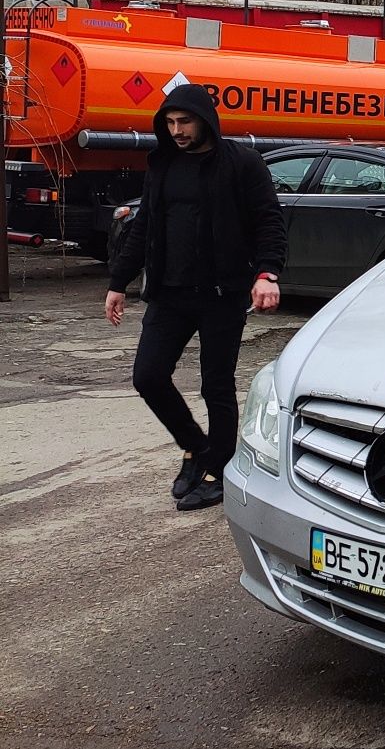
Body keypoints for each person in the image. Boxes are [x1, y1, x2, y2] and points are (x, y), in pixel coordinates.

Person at [104, 84, 286, 511]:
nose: (177, 130)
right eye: (169, 123)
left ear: (205, 120)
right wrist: (118, 282)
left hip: (221, 295)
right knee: (147, 377)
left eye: (184, 122)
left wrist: (267, 273)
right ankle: (195, 445)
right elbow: (143, 227)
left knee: (215, 385)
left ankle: (217, 467)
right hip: (169, 293)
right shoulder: (164, 164)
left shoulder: (240, 163)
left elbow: (269, 222)